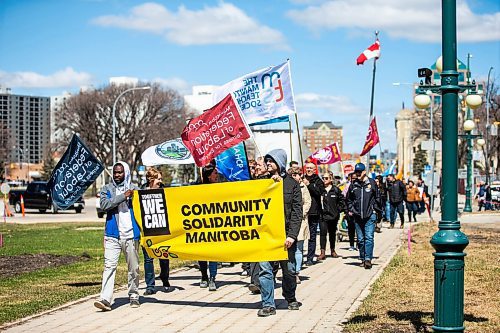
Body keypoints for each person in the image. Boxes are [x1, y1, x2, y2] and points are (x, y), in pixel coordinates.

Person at [257, 149, 302, 317]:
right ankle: (268, 304)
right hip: (266, 236)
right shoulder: (261, 182)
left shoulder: (292, 184)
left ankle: (290, 297)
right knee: (265, 270)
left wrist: (292, 235)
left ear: (280, 164)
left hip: (286, 236)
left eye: (271, 161)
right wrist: (269, 184)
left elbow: (297, 211)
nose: (268, 163)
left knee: (289, 270)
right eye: (267, 161)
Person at [94, 161, 141, 311]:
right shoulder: (107, 189)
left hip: (131, 235)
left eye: (120, 172)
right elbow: (104, 205)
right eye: (115, 172)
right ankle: (105, 299)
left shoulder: (135, 189)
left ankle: (133, 295)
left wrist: (132, 197)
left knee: (133, 268)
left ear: (126, 172)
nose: (117, 175)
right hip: (112, 235)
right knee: (109, 266)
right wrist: (122, 196)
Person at [141, 168, 170, 295]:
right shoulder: (140, 192)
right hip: (147, 230)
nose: (160, 181)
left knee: (164, 257)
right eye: (158, 179)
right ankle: (150, 285)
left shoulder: (164, 191)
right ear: (150, 180)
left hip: (162, 228)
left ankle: (165, 278)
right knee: (148, 259)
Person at [346, 163, 381, 269]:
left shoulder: (371, 183)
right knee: (360, 239)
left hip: (370, 215)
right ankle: (362, 258)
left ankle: (368, 259)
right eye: (356, 172)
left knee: (369, 237)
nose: (358, 174)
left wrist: (376, 211)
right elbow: (348, 199)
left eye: (359, 172)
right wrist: (351, 209)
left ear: (364, 172)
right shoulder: (353, 185)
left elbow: (378, 198)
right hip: (357, 216)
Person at [198, 162, 220, 291]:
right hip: (201, 225)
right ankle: (204, 276)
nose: (217, 175)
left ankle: (212, 277)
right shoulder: (198, 187)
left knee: (213, 252)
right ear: (209, 175)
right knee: (201, 253)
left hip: (214, 225)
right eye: (215, 173)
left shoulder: (219, 186)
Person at [290, 168, 311, 284]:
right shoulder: (286, 185)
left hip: (301, 221)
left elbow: (308, 202)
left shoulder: (303, 187)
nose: (296, 177)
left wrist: (300, 213)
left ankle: (296, 272)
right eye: (294, 175)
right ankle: (290, 272)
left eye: (298, 175)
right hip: (289, 221)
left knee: (298, 248)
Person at [303, 161, 326, 265]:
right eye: (307, 168)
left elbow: (319, 192)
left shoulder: (318, 181)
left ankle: (310, 258)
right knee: (301, 235)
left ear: (314, 170)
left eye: (310, 168)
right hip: (302, 212)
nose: (308, 170)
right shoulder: (302, 178)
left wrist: (310, 185)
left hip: (314, 212)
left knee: (312, 236)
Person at [320, 171, 345, 259]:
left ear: (331, 179)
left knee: (332, 234)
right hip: (323, 216)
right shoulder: (321, 190)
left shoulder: (336, 190)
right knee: (323, 234)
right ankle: (322, 252)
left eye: (326, 178)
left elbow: (342, 201)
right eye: (323, 178)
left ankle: (332, 250)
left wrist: (338, 211)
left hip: (333, 216)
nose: (324, 180)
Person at [342, 172, 357, 251]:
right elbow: (344, 199)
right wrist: (346, 210)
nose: (354, 179)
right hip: (350, 212)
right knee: (351, 229)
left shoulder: (360, 186)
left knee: (359, 230)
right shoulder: (348, 186)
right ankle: (351, 244)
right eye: (352, 178)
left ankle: (359, 244)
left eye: (355, 178)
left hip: (358, 212)